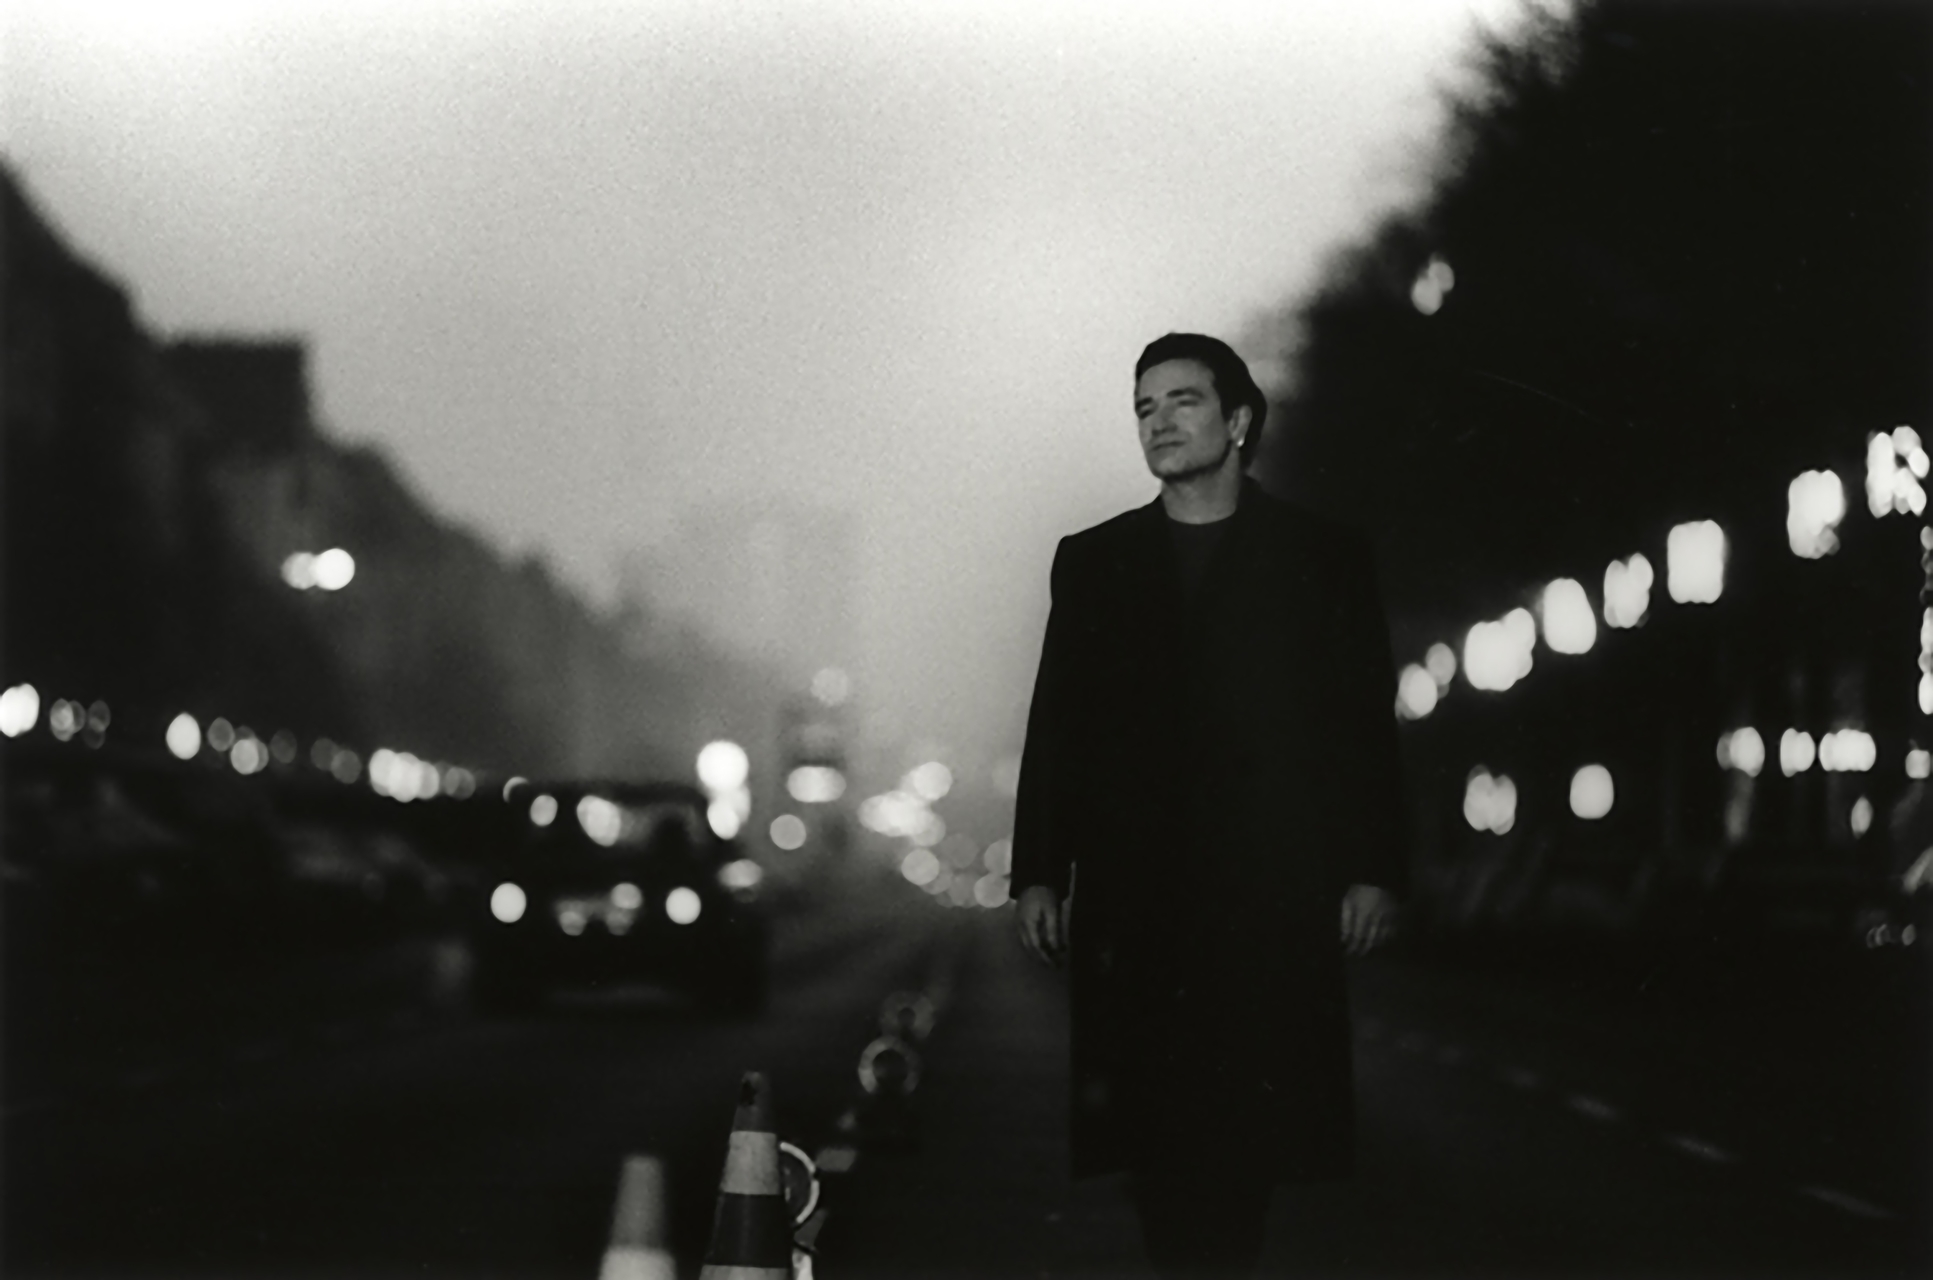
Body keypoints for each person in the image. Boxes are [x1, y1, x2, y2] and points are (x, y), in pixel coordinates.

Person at [1011, 333, 1406, 1277]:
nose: (1158, 423)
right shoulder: (1095, 560)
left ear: (1237, 421)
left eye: (1181, 401)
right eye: (1143, 408)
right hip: (1136, 897)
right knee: (1155, 1136)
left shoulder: (1321, 557)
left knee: (1248, 1134)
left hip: (1270, 894)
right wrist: (1037, 873)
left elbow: (1361, 724)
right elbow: (1059, 722)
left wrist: (1372, 868)